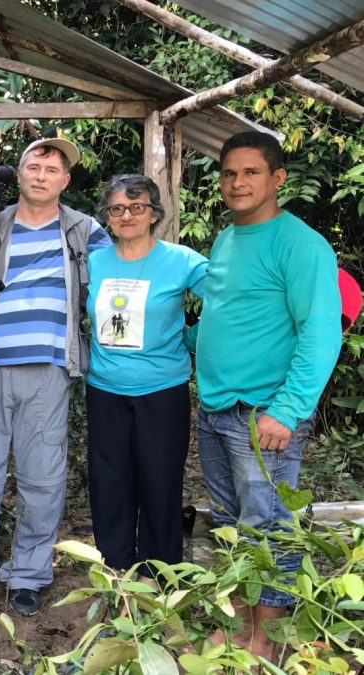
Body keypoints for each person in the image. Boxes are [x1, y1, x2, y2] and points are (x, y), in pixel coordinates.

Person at [0, 138, 110, 616]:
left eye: (52, 169)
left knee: (43, 477)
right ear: (19, 174)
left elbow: (117, 283)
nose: (41, 175)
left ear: (65, 181)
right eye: (33, 166)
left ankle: (29, 575)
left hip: (50, 370)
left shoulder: (84, 230)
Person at [193, 132, 341, 661]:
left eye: (251, 172)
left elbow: (322, 333)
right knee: (233, 526)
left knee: (269, 529)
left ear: (277, 179)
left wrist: (287, 409)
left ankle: (267, 642)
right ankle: (238, 625)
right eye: (230, 173)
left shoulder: (300, 244)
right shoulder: (226, 239)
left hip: (264, 413)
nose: (238, 183)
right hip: (217, 409)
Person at [84, 174, 207, 578]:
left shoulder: (181, 260)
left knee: (159, 484)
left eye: (137, 207)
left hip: (162, 391)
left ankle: (159, 576)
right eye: (117, 208)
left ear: (154, 213)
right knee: (110, 485)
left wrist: (191, 337)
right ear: (106, 215)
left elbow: (230, 301)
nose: (127, 215)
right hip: (104, 390)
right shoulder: (94, 260)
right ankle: (115, 571)